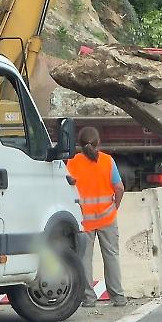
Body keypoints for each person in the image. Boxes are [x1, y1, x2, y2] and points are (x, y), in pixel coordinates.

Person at [66, 126, 127, 308]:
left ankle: (89, 298)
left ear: (79, 143)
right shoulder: (107, 161)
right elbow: (119, 188)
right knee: (112, 257)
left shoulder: (73, 162)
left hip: (84, 220)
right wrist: (115, 206)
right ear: (98, 142)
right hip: (107, 217)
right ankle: (118, 297)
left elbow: (68, 188)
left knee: (84, 258)